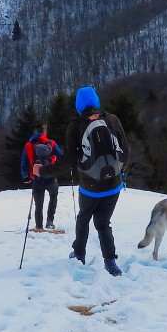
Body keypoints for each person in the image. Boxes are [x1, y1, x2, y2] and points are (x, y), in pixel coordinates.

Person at [59, 85, 130, 276]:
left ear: (78, 105)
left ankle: (79, 254)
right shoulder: (112, 120)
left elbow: (66, 162)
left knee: (83, 218)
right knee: (103, 222)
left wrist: (43, 172)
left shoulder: (76, 126)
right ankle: (110, 262)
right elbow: (127, 151)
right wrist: (121, 174)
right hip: (114, 186)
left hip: (90, 187)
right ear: (96, 101)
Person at [20, 123, 62, 231]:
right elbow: (61, 156)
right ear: (45, 132)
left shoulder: (28, 145)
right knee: (53, 196)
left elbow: (23, 164)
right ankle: (50, 221)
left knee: (38, 203)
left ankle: (39, 225)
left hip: (36, 178)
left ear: (35, 132)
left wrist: (25, 176)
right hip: (50, 176)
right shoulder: (52, 143)